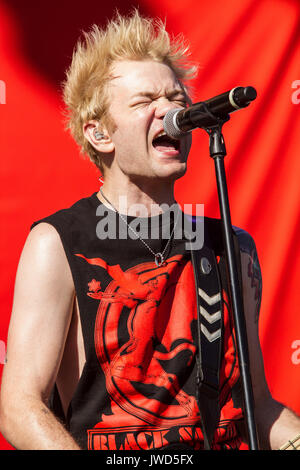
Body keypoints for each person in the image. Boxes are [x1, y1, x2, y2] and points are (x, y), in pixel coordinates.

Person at [0, 10, 299, 451]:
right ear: (100, 134)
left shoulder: (231, 248)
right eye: (144, 102)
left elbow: (257, 405)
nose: (173, 112)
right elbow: (19, 407)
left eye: (177, 99)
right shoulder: (58, 244)